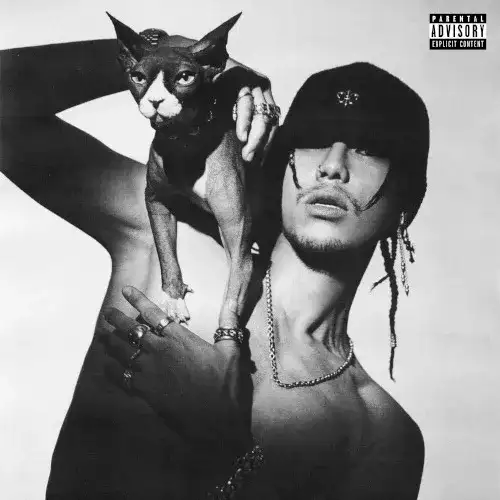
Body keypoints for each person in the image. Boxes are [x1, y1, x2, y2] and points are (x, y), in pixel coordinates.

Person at [2, 42, 429, 500]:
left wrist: (226, 441)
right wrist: (179, 57)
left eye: (368, 149)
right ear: (280, 159)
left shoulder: (380, 432)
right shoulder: (168, 238)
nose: (332, 166)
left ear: (407, 200)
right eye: (314, 140)